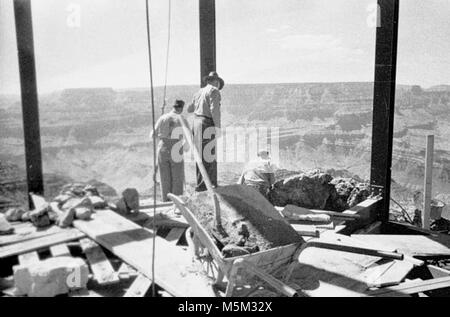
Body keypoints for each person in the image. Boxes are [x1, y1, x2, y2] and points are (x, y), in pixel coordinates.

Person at [187, 71, 225, 192]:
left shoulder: (198, 92)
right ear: (216, 81)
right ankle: (209, 185)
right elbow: (215, 111)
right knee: (209, 155)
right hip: (206, 124)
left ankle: (201, 184)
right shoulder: (214, 91)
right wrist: (217, 128)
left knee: (200, 156)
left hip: (196, 123)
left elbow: (189, 108)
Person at [150, 100, 188, 201]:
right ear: (181, 108)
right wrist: (184, 147)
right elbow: (189, 137)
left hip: (162, 147)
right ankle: (177, 202)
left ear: (173, 107)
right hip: (176, 147)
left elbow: (152, 135)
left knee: (164, 177)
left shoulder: (162, 118)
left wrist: (163, 136)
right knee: (177, 177)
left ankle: (165, 200)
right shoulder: (182, 118)